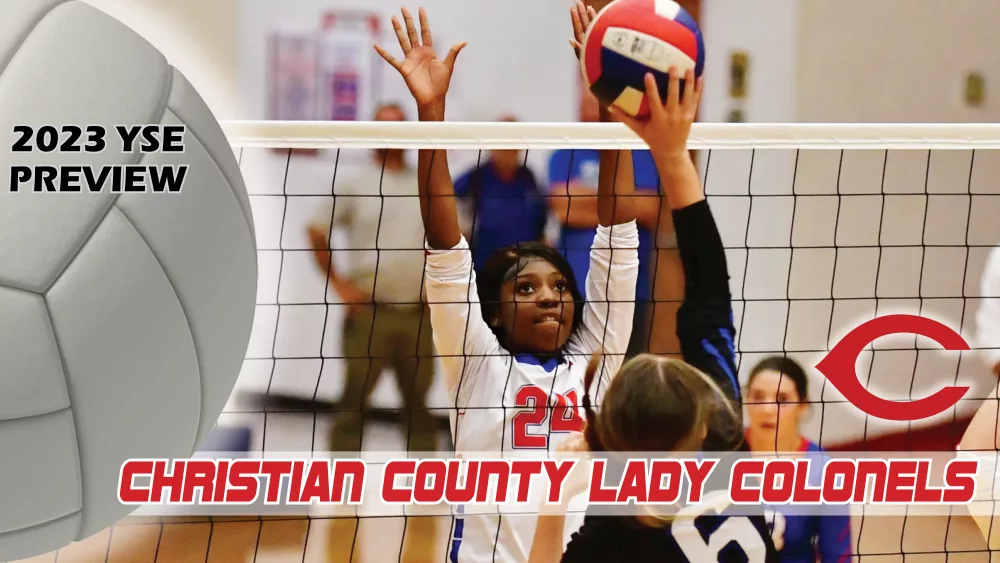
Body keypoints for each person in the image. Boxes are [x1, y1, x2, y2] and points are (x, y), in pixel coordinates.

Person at [373, 6, 638, 562]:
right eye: (525, 289)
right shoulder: (477, 363)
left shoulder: (595, 359)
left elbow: (617, 236)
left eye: (559, 287)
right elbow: (447, 254)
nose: (548, 297)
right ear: (493, 311)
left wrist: (610, 106)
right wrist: (431, 116)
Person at [526, 6, 780, 562]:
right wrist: (674, 155)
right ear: (702, 424)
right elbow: (710, 295)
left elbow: (707, 296)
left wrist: (555, 501)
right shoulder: (726, 447)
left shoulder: (612, 533)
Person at [306, 102, 437, 455]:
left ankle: (426, 477)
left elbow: (450, 239)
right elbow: (316, 230)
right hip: (369, 314)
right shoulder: (356, 183)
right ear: (371, 131)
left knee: (419, 405)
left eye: (400, 126)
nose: (393, 133)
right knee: (354, 400)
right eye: (385, 125)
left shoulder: (426, 183)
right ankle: (341, 476)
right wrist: (340, 286)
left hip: (419, 314)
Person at [546, 80, 672, 358]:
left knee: (625, 371)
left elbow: (650, 208)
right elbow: (564, 208)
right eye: (585, 99)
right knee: (572, 371)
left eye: (595, 99)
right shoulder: (565, 152)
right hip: (574, 289)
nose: (589, 106)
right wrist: (619, 204)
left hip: (628, 290)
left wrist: (587, 199)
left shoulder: (638, 150)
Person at [744, 356, 853, 563]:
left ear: (802, 406)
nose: (767, 409)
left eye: (782, 399)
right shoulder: (720, 455)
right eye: (757, 397)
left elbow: (837, 556)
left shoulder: (825, 470)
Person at [453, 115, 548, 275]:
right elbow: (453, 222)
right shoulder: (473, 179)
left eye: (514, 142)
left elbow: (542, 224)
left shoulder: (529, 178)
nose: (509, 148)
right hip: (483, 271)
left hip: (524, 269)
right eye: (504, 141)